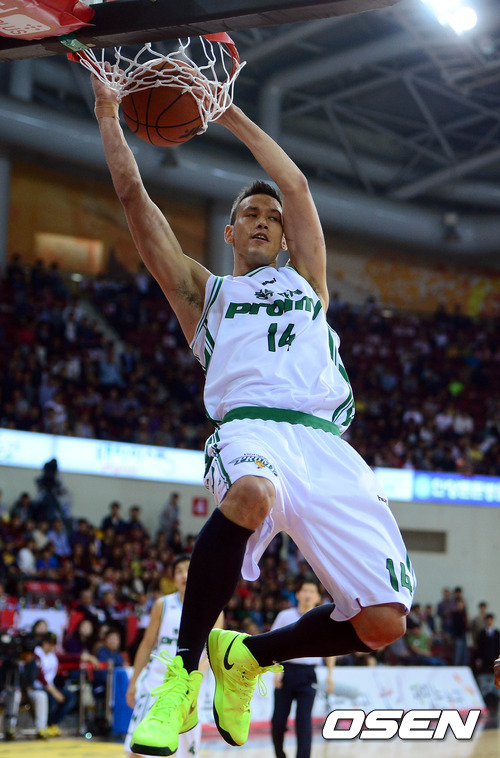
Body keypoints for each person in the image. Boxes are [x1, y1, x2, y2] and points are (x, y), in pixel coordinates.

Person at [91, 71, 415, 757]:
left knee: (385, 622)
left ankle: (247, 656)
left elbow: (295, 185)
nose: (265, 218)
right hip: (250, 429)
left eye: (272, 216)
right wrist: (109, 115)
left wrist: (227, 109)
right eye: (251, 214)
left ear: (287, 236)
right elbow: (134, 199)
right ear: (231, 231)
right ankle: (183, 677)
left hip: (328, 446)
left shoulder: (309, 281)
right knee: (252, 492)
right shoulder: (205, 295)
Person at [124, 554, 224, 757]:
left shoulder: (212, 608)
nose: (184, 575)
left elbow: (214, 651)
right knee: (138, 745)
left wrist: (195, 672)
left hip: (189, 685)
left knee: (184, 749)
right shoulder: (162, 604)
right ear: (173, 578)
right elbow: (147, 644)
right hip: (157, 681)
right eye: (178, 571)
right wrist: (133, 682)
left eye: (188, 569)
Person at [270, 580, 334, 758]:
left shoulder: (323, 620)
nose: (307, 594)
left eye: (312, 591)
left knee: (304, 721)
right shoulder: (285, 616)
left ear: (317, 597)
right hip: (286, 671)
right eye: (304, 590)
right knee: (278, 721)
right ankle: (280, 754)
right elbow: (273, 643)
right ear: (297, 594)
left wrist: (330, 674)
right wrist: (276, 670)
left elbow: (331, 649)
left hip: (308, 674)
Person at [34, 631, 77, 736]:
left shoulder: (52, 656)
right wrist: (54, 692)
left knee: (71, 697)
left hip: (50, 687)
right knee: (52, 700)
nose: (51, 646)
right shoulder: (36, 654)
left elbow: (68, 658)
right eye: (48, 643)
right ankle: (45, 725)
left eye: (53, 643)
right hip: (37, 687)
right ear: (43, 642)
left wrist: (86, 657)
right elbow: (39, 677)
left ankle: (52, 724)